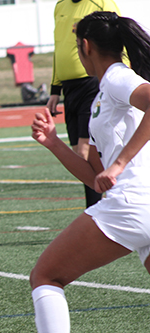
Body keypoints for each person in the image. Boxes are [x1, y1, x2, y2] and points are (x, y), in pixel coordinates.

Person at [14, 12, 150, 333]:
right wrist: (54, 144)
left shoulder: (116, 79)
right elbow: (94, 178)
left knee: (46, 276)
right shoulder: (103, 92)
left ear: (85, 47)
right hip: (140, 205)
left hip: (133, 204)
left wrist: (121, 164)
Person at [48, 0, 122, 208]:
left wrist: (116, 78)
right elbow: (58, 47)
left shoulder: (102, 3)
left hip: (92, 84)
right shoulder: (60, 6)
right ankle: (101, 205)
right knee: (79, 156)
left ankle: (96, 209)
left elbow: (119, 38)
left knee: (85, 152)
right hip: (70, 90)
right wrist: (55, 89)